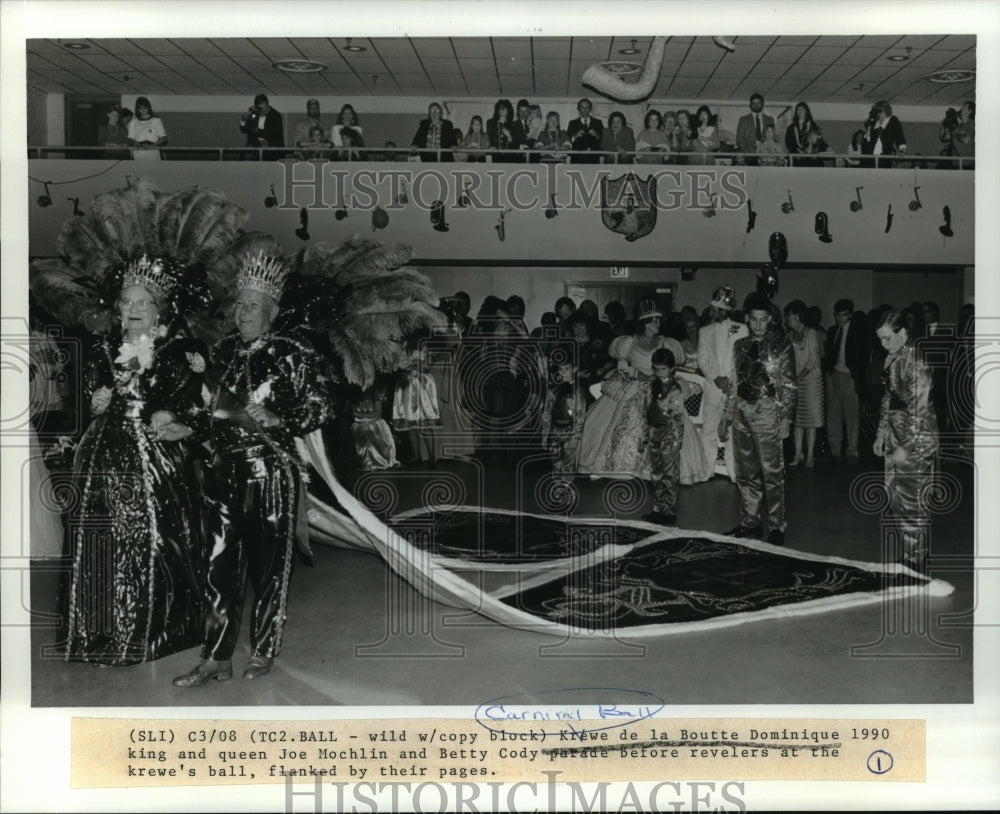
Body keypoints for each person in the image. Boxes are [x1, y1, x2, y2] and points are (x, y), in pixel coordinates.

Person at [173, 252, 331, 686]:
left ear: (272, 312)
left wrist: (282, 417)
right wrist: (183, 421)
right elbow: (206, 407)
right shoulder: (219, 352)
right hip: (221, 473)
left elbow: (320, 404)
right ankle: (215, 656)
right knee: (217, 566)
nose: (242, 313)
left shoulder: (290, 352)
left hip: (269, 474)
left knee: (267, 570)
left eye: (252, 305)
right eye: (239, 304)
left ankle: (263, 649)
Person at [64, 255, 209, 665]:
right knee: (101, 537)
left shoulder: (181, 349)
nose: (133, 310)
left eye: (143, 303)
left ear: (159, 310)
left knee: (152, 537)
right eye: (126, 302)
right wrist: (96, 399)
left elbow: (188, 398)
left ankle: (150, 631)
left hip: (153, 456)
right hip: (103, 455)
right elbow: (91, 393)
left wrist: (168, 411)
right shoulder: (103, 347)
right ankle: (98, 630)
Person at [720, 292, 796, 545]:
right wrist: (726, 415)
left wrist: (786, 418)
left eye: (763, 320)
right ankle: (749, 522)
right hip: (742, 411)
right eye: (754, 320)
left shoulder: (782, 345)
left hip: (767, 412)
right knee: (746, 472)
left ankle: (776, 525)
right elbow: (733, 383)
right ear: (747, 319)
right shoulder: (739, 346)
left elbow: (789, 386)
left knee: (772, 473)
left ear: (771, 319)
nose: (759, 325)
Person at [874, 309, 939, 573]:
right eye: (880, 339)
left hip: (916, 438)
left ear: (903, 332)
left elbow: (918, 410)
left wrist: (905, 446)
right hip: (894, 433)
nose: (883, 344)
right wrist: (881, 432)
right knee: (894, 495)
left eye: (888, 338)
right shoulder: (892, 359)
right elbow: (888, 399)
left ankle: (918, 556)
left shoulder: (916, 362)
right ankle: (911, 550)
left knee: (912, 499)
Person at [578, 300, 669, 480]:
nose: (658, 324)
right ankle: (606, 465)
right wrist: (637, 372)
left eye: (659, 320)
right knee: (610, 421)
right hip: (633, 385)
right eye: (654, 320)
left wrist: (654, 375)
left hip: (656, 387)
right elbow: (621, 367)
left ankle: (650, 467)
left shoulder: (664, 342)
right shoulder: (630, 341)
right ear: (645, 323)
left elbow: (667, 365)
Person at [697, 286, 748, 480]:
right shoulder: (705, 331)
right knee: (708, 429)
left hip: (733, 387)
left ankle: (734, 472)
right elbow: (702, 359)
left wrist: (731, 381)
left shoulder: (741, 328)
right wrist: (716, 378)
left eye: (716, 309)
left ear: (725, 311)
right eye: (712, 308)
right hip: (713, 387)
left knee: (733, 430)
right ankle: (707, 470)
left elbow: (742, 358)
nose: (712, 312)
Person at [642, 347, 685, 525]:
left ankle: (669, 510)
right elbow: (646, 410)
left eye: (663, 369)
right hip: (653, 433)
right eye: (656, 369)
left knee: (670, 473)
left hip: (669, 434)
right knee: (657, 472)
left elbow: (678, 417)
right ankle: (658, 508)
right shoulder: (651, 386)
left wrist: (676, 440)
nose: (659, 373)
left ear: (672, 368)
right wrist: (645, 434)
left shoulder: (675, 389)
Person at [823, 299, 867, 464]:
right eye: (837, 315)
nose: (840, 318)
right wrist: (828, 372)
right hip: (834, 375)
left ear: (850, 315)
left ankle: (852, 452)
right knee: (833, 415)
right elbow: (828, 354)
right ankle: (834, 451)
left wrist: (857, 378)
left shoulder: (859, 331)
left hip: (850, 377)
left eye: (844, 315)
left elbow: (863, 358)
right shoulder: (833, 330)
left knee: (851, 416)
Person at [540, 348, 594, 477]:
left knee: (568, 465)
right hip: (555, 432)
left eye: (567, 369)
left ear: (574, 369)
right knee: (556, 464)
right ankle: (557, 490)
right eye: (560, 370)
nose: (563, 373)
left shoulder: (578, 390)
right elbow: (547, 413)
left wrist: (577, 436)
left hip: (571, 433)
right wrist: (545, 434)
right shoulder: (553, 390)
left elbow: (580, 416)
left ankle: (566, 489)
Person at [784, 300, 824, 467]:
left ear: (797, 316)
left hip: (811, 381)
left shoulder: (811, 333)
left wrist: (799, 377)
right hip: (795, 381)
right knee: (797, 420)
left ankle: (809, 455)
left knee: (811, 419)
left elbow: (814, 358)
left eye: (789, 316)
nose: (786, 319)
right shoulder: (790, 336)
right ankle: (798, 453)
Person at [392, 336, 441, 466]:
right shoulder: (400, 342)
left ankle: (432, 457)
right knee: (410, 422)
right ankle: (416, 455)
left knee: (425, 422)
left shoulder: (424, 342)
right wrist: (412, 364)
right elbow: (397, 364)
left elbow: (426, 365)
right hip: (405, 383)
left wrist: (413, 364)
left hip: (421, 384)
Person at [351, 386, 397, 470]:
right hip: (358, 426)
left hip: (375, 426)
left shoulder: (376, 394)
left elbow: (376, 414)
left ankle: (377, 461)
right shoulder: (355, 394)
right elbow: (353, 411)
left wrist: (359, 415)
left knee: (370, 445)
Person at [736, 93, 774, 163]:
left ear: (762, 104)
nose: (756, 105)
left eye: (758, 103)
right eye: (753, 103)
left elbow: (772, 137)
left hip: (765, 156)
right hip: (748, 157)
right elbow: (739, 139)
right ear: (750, 105)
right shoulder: (743, 120)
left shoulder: (770, 120)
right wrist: (749, 154)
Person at [127, 96, 167, 161]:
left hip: (152, 151)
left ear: (148, 108)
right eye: (141, 108)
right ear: (137, 109)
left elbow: (164, 138)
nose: (143, 110)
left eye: (145, 108)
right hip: (139, 152)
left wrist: (152, 145)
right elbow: (130, 138)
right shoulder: (133, 122)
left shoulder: (156, 120)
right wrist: (135, 143)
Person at [566, 97, 604, 163]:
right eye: (582, 107)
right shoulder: (572, 123)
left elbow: (604, 140)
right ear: (578, 109)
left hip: (593, 158)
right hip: (577, 158)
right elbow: (567, 141)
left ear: (590, 109)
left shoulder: (598, 122)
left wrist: (597, 135)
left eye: (587, 107)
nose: (585, 110)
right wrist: (575, 136)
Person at [486, 98, 518, 163]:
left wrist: (509, 136)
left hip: (509, 157)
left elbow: (516, 144)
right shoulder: (491, 123)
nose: (502, 110)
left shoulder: (513, 125)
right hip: (495, 155)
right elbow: (491, 138)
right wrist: (493, 146)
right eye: (500, 108)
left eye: (504, 108)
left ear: (509, 111)